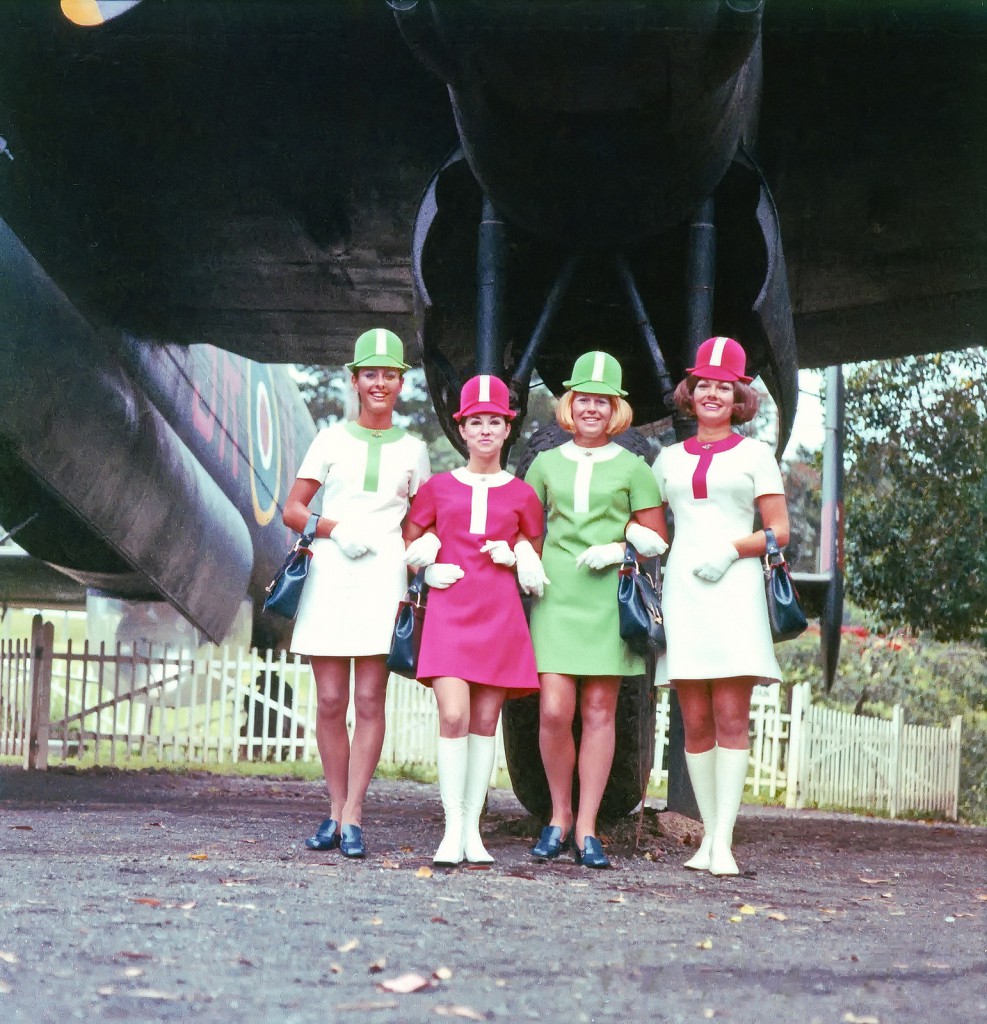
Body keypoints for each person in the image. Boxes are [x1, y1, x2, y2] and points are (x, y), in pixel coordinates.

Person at [282, 328, 430, 858]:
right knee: (329, 699)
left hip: (381, 576)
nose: (380, 383)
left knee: (369, 698)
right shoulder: (330, 439)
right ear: (355, 379)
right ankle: (332, 807)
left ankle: (354, 815)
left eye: (390, 374)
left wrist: (408, 548)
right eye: (371, 373)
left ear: (400, 381)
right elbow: (292, 510)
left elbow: (419, 519)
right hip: (331, 570)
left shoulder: (414, 448)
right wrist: (335, 528)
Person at [652, 335, 790, 876]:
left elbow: (778, 532)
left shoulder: (757, 455)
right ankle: (706, 840)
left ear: (739, 398)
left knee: (732, 714)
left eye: (723, 387)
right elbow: (651, 527)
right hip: (684, 590)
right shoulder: (666, 459)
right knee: (694, 717)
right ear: (691, 392)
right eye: (703, 384)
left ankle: (726, 841)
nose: (712, 393)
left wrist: (733, 549)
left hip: (733, 588)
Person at [524, 351, 667, 869]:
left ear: (615, 410)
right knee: (554, 710)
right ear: (570, 404)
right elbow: (525, 524)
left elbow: (656, 536)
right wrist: (523, 555)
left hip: (607, 597)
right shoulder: (544, 462)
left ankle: (586, 827)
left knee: (600, 712)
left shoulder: (635, 467)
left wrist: (622, 545)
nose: (591, 409)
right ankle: (556, 816)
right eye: (583, 399)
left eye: (601, 401)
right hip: (557, 596)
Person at [403, 374, 547, 866]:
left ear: (507, 429)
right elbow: (411, 540)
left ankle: (473, 831)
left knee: (485, 721)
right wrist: (426, 563)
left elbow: (535, 554)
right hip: (450, 608)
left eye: (495, 422)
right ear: (462, 430)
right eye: (476, 422)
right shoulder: (439, 487)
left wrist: (518, 555)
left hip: (499, 614)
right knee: (454, 715)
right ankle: (450, 829)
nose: (485, 430)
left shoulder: (523, 494)